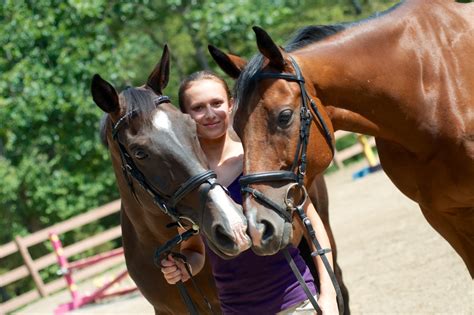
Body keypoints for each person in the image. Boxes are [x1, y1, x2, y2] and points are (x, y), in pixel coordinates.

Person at [160, 71, 338, 314]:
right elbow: (194, 249)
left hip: (297, 302)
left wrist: (328, 294)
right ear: (186, 116)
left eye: (217, 103)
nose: (210, 114)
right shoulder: (188, 183)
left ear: (231, 104)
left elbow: (313, 227)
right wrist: (184, 267)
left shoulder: (261, 161)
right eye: (198, 108)